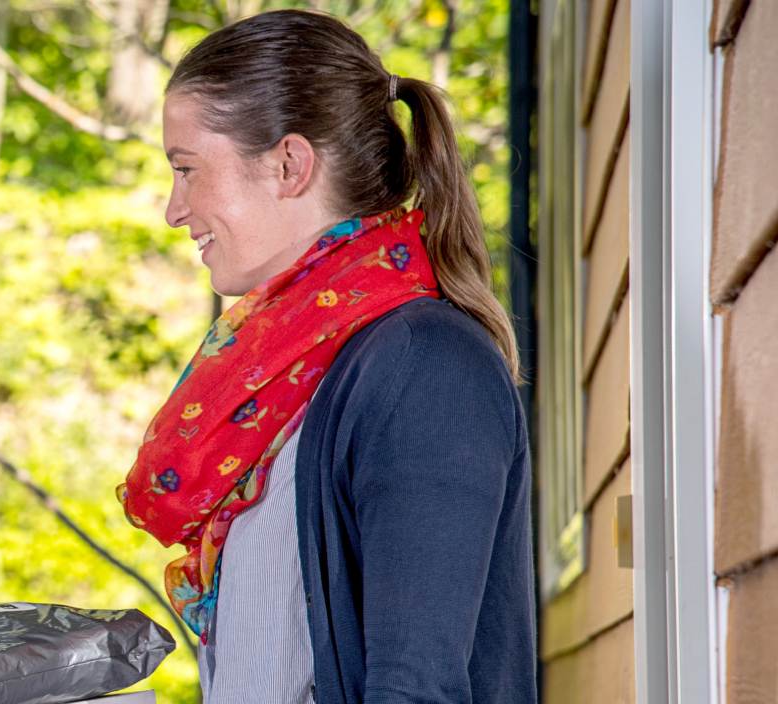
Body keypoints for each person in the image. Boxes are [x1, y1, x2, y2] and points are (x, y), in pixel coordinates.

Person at [115, 10, 535, 704]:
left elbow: (417, 690)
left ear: (289, 164)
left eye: (187, 169)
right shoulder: (287, 382)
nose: (173, 208)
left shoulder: (423, 366)